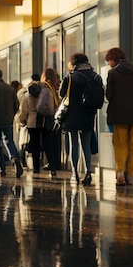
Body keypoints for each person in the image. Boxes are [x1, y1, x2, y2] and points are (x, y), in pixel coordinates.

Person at [105, 47, 133, 186]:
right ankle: (131, 177)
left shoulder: (113, 73)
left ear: (114, 59)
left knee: (120, 145)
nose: (109, 63)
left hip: (119, 115)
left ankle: (120, 175)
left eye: (109, 60)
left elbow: (109, 96)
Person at [59, 53, 102, 185]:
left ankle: (75, 174)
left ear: (74, 63)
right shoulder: (96, 76)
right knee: (86, 144)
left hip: (72, 114)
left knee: (73, 144)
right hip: (89, 114)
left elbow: (61, 94)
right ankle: (88, 172)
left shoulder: (70, 77)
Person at [18, 69, 59, 178]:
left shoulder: (29, 93)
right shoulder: (49, 90)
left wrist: (22, 120)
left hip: (32, 122)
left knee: (35, 144)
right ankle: (53, 168)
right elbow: (54, 107)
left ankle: (36, 169)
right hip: (46, 121)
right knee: (48, 144)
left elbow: (23, 109)